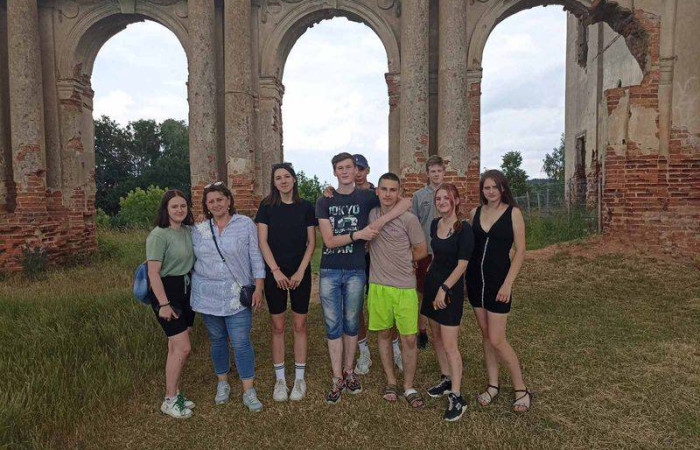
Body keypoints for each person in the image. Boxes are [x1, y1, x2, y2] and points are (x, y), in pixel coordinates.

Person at [316, 152, 410, 404]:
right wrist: (359, 235)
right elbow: (329, 241)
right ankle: (337, 377)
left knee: (351, 322)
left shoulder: (367, 197)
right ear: (334, 172)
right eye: (340, 168)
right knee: (333, 324)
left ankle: (349, 371)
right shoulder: (324, 200)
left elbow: (405, 203)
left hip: (356, 269)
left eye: (349, 167)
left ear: (355, 170)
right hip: (330, 269)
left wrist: (378, 224)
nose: (346, 171)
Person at [190, 182, 266, 412]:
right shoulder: (199, 230)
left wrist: (259, 287)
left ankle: (248, 390)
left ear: (229, 201)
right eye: (211, 201)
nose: (216, 204)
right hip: (208, 295)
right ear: (206, 205)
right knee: (217, 340)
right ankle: (222, 383)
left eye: (220, 199)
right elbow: (187, 256)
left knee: (241, 342)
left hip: (237, 295)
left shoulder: (244, 224)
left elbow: (255, 256)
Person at [466, 170, 531, 413]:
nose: (491, 191)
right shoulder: (474, 213)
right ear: (482, 190)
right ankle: (493, 385)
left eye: (495, 187)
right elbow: (467, 247)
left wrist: (508, 283)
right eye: (487, 187)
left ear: (503, 188)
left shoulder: (513, 213)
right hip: (475, 282)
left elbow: (521, 250)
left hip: (499, 284)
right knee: (486, 335)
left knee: (497, 339)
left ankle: (521, 388)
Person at [255, 163, 317, 402]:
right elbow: (263, 241)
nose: (283, 181)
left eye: (287, 176)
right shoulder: (266, 207)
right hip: (275, 273)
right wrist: (275, 271)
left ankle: (299, 379)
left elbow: (311, 243)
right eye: (278, 177)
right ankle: (280, 379)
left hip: (300, 272)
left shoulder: (306, 206)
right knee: (278, 326)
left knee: (300, 325)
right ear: (274, 182)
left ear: (294, 179)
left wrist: (300, 271)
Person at [367, 173, 428, 408]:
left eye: (393, 190)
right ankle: (391, 381)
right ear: (377, 191)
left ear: (399, 192)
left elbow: (421, 250)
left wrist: (406, 261)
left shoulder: (409, 219)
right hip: (379, 285)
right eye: (384, 189)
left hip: (404, 286)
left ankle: (409, 385)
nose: (388, 194)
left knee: (409, 338)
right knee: (384, 334)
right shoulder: (372, 214)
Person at [421, 183, 473, 422]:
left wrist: (444, 288)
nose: (441, 202)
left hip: (449, 290)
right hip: (432, 285)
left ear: (456, 201)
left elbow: (462, 265)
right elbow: (437, 253)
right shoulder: (435, 224)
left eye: (446, 198)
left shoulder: (464, 229)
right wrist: (432, 271)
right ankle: (446, 378)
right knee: (437, 337)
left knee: (450, 344)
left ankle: (457, 396)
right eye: (438, 198)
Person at [145, 189, 196, 419]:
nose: (179, 210)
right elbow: (153, 272)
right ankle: (169, 400)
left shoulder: (187, 231)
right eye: (174, 206)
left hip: (186, 290)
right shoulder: (158, 235)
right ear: (166, 209)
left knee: (174, 347)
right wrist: (164, 304)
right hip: (166, 293)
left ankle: (174, 392)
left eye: (183, 206)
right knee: (183, 348)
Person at [352, 154, 403, 376]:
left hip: (378, 255)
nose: (357, 173)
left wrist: (379, 224)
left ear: (368, 170)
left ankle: (396, 348)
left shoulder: (377, 192)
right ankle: (364, 351)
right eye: (354, 168)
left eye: (361, 169)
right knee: (356, 306)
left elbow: (404, 203)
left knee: (388, 303)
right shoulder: (344, 194)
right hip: (354, 256)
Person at [411, 155, 446, 349]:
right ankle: (422, 330)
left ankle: (443, 328)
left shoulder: (449, 193)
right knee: (424, 293)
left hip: (445, 252)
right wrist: (414, 251)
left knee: (443, 290)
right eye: (433, 171)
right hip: (426, 251)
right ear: (427, 173)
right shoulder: (419, 196)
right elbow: (413, 224)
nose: (436, 174)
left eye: (439, 171)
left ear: (444, 172)